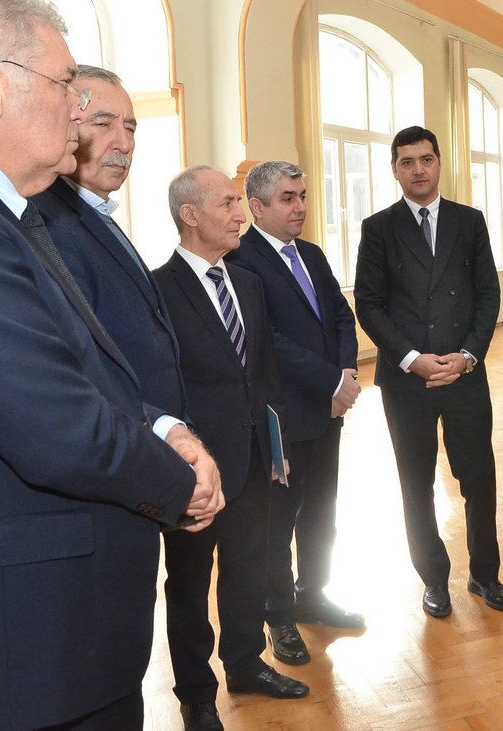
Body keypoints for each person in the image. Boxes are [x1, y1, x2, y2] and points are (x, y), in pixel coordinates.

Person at [0, 0, 221, 731]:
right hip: (23, 636)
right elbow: (55, 425)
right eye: (65, 84)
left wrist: (163, 426)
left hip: (61, 626)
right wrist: (182, 486)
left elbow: (74, 370)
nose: (77, 110)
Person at [153, 167, 308, 731]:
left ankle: (245, 664)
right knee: (190, 584)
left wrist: (275, 444)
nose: (241, 214)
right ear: (190, 214)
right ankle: (196, 695)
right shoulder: (157, 289)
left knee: (249, 569)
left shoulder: (247, 283)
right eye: (227, 204)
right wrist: (182, 459)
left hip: (253, 458)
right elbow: (157, 383)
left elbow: (263, 373)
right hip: (195, 470)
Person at [354, 125, 503, 618]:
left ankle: (485, 574)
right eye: (407, 161)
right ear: (395, 170)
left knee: (479, 478)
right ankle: (433, 579)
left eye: (426, 159)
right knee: (415, 482)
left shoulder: (470, 222)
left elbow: (487, 295)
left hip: (464, 374)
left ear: (440, 163)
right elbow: (369, 304)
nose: (418, 169)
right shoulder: (378, 229)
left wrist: (467, 356)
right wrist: (411, 358)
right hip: (407, 380)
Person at [228, 160, 364, 669]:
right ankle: (279, 615)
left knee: (321, 514)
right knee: (277, 521)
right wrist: (331, 381)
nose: (301, 206)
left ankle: (313, 595)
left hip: (329, 411)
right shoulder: (241, 260)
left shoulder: (311, 253)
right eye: (288, 198)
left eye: (302, 195)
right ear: (257, 206)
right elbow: (267, 340)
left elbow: (341, 315)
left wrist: (344, 374)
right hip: (283, 415)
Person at [32, 65, 187, 419]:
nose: (124, 143)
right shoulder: (46, 222)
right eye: (103, 124)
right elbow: (79, 364)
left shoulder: (97, 213)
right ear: (66, 123)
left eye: (130, 128)